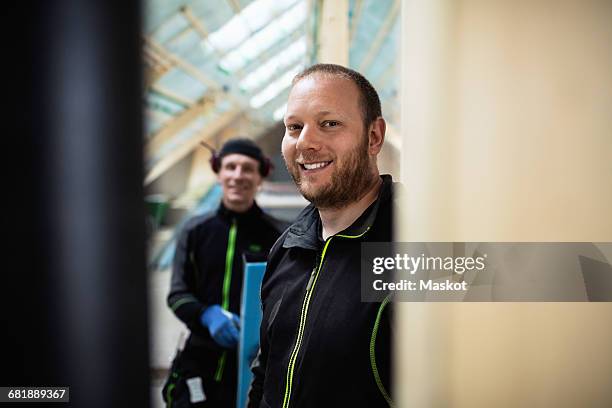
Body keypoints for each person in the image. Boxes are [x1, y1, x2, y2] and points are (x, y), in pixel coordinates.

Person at [248, 64, 397, 408]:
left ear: (374, 137)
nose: (306, 142)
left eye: (329, 124)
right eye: (294, 127)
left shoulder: (416, 239)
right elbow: (266, 372)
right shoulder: (287, 247)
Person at [164, 138, 288, 407]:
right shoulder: (195, 231)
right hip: (200, 361)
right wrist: (206, 315)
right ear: (218, 173)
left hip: (256, 366)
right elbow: (177, 294)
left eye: (247, 169)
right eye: (230, 167)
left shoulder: (280, 236)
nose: (237, 176)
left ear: (260, 178)